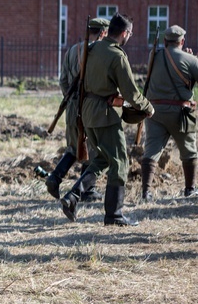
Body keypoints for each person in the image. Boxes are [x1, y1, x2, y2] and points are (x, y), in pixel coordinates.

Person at [60, 13, 154, 226]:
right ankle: (114, 215)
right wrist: (148, 108)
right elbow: (131, 92)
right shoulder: (116, 55)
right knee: (120, 162)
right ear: (123, 33)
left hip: (87, 113)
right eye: (129, 34)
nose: (129, 37)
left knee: (102, 159)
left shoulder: (92, 48)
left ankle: (73, 196)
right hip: (105, 115)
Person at [46, 18, 110, 201]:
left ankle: (55, 178)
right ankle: (87, 191)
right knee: (94, 149)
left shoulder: (73, 50)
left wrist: (72, 97)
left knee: (75, 147)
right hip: (90, 107)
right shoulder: (99, 52)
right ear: (103, 33)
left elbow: (63, 80)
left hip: (72, 106)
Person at [142, 25, 198, 201]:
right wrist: (192, 58)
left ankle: (146, 191)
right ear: (182, 41)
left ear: (165, 41)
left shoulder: (154, 55)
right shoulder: (190, 59)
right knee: (189, 151)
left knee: (151, 150)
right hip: (180, 113)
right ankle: (190, 189)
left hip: (154, 112)